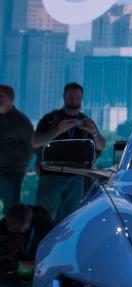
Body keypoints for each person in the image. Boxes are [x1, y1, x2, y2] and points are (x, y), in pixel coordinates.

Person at [32, 83, 105, 221]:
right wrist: (58, 130)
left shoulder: (86, 121)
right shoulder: (51, 119)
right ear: (64, 97)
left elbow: (101, 145)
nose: (74, 99)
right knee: (44, 217)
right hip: (51, 173)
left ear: (82, 98)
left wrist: (94, 132)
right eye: (71, 96)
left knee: (72, 219)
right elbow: (35, 142)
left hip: (76, 175)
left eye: (77, 97)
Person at [0, 203, 53, 287]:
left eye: (21, 230)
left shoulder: (45, 229)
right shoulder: (2, 229)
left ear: (29, 222)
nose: (15, 232)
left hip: (37, 273)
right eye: (10, 227)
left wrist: (20, 265)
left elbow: (51, 261)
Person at [0, 85, 35, 211]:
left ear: (11, 98)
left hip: (12, 171)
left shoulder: (21, 120)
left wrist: (24, 165)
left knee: (11, 207)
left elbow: (31, 146)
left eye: (1, 96)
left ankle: (9, 230)